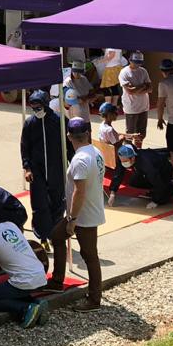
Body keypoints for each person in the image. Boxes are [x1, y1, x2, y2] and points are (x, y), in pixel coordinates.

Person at [21, 95, 69, 290]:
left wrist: (71, 164)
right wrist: (27, 168)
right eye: (33, 106)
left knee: (58, 203)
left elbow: (68, 145)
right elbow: (25, 147)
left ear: (46, 104)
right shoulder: (30, 123)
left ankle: (54, 234)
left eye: (38, 106)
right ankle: (42, 237)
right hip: (38, 171)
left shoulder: (58, 121)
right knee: (40, 205)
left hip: (56, 169)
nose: (35, 109)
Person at [0, 220, 53, 329]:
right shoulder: (10, 225)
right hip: (40, 275)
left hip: (25, 281)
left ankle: (26, 308)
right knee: (13, 292)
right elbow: (5, 251)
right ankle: (36, 302)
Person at [66, 117, 107, 311]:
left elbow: (79, 191)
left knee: (90, 256)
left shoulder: (80, 159)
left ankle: (94, 299)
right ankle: (59, 281)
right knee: (88, 254)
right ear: (88, 134)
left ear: (69, 136)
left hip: (84, 214)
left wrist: (72, 219)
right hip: (90, 209)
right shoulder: (95, 152)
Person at [118, 52, 151, 142]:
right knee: (130, 133)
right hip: (131, 108)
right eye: (135, 62)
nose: (137, 65)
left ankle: (138, 151)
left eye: (139, 63)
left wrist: (136, 89)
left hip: (143, 107)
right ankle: (128, 152)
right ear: (130, 60)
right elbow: (130, 91)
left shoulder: (143, 71)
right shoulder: (124, 72)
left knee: (141, 134)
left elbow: (150, 88)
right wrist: (143, 86)